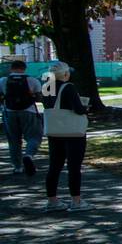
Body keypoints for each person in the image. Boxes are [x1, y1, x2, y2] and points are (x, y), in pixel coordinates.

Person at [40, 62, 89, 212]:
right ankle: (76, 200)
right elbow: (78, 109)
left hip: (54, 131)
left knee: (54, 166)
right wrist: (85, 107)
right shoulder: (68, 87)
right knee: (74, 166)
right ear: (65, 74)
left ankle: (52, 200)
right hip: (71, 131)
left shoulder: (47, 87)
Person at [2, 59, 43, 175]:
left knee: (13, 140)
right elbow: (39, 98)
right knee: (34, 136)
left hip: (9, 112)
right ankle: (29, 155)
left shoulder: (3, 81)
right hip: (29, 111)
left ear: (11, 68)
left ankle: (17, 166)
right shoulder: (33, 80)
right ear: (24, 68)